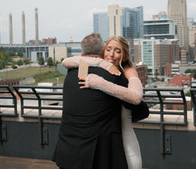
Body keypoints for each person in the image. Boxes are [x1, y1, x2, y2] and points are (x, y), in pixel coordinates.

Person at [62, 36, 144, 169]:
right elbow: (68, 61)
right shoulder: (90, 70)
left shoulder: (124, 74)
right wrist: (101, 63)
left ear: (124, 56)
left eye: (118, 51)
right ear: (102, 51)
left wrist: (100, 84)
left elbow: (137, 101)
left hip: (76, 148)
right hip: (100, 147)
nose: (111, 54)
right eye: (108, 49)